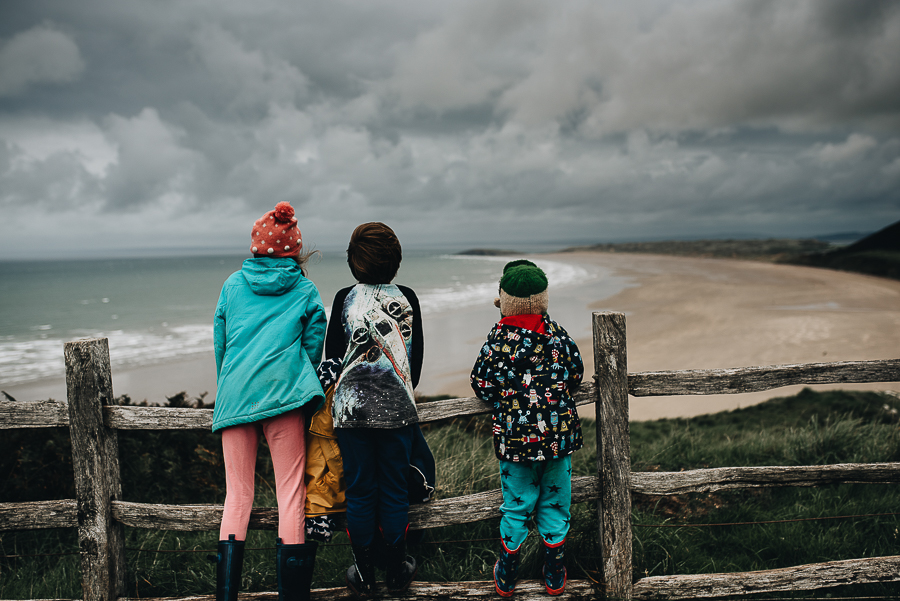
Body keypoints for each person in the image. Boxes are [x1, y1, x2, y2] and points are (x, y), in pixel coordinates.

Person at [212, 201, 326, 601]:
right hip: (287, 398)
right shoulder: (305, 289)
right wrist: (296, 380)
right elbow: (314, 349)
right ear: (294, 250)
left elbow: (221, 347)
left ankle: (226, 596)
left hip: (236, 397)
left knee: (237, 495)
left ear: (256, 247)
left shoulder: (232, 285)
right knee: (290, 494)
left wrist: (232, 384)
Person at [470, 260, 584, 597]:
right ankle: (554, 570)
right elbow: (575, 373)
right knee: (555, 504)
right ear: (544, 298)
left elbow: (481, 384)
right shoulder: (558, 336)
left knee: (516, 506)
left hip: (516, 445)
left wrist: (507, 394)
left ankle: (506, 572)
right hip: (557, 441)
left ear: (503, 299)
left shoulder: (496, 344)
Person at [324, 222, 424, 598]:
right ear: (395, 261)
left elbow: (332, 357)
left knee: (361, 490)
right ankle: (397, 571)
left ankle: (364, 574)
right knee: (395, 489)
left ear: (354, 262)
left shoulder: (343, 298)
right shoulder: (408, 297)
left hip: (350, 413)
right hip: (398, 409)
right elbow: (415, 361)